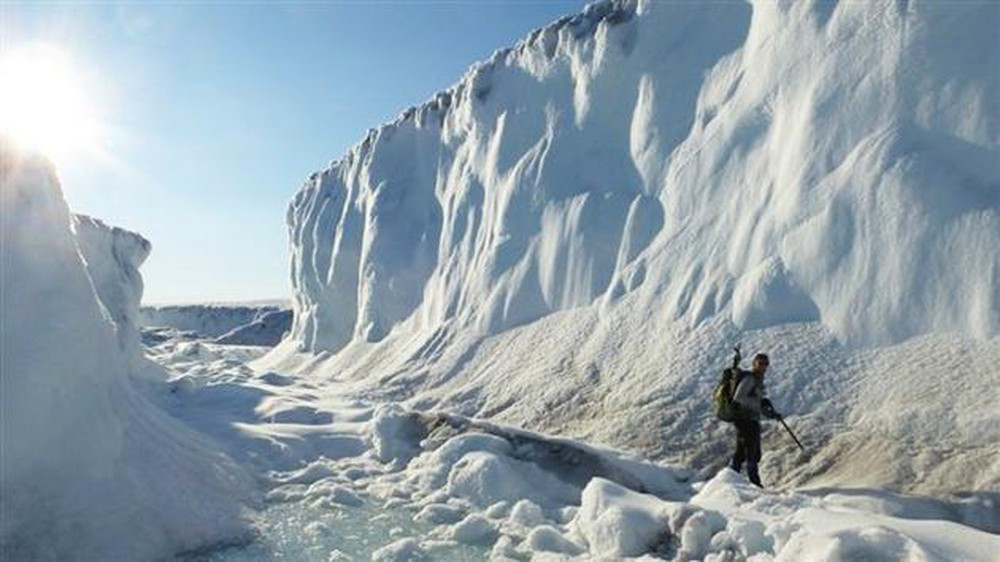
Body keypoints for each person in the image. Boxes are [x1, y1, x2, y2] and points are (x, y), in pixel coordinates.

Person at [730, 352, 782, 487]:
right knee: (752, 452)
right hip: (745, 420)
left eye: (765, 364)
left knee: (741, 453)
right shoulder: (750, 379)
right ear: (754, 364)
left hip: (749, 419)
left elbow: (755, 401)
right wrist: (759, 403)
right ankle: (755, 483)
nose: (763, 367)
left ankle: (730, 480)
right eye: (760, 363)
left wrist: (770, 412)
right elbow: (739, 398)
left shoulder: (758, 380)